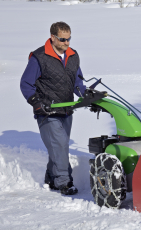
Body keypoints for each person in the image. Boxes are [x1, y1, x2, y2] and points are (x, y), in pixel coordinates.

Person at [20, 22, 86, 195]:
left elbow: (76, 82)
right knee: (60, 144)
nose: (67, 43)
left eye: (69, 38)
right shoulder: (39, 57)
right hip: (47, 111)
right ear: (53, 38)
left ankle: (51, 176)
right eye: (63, 39)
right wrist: (36, 103)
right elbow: (26, 84)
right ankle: (64, 182)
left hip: (66, 109)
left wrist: (87, 94)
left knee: (59, 147)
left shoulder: (72, 55)